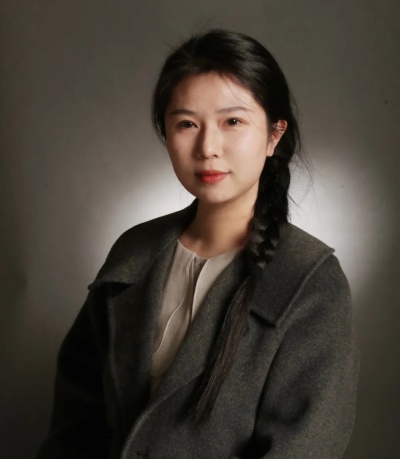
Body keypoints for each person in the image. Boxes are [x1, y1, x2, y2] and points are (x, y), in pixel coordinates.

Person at [37, 29, 359, 459]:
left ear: (274, 135)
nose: (208, 147)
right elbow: (76, 418)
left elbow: (305, 445)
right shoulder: (134, 252)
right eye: (187, 124)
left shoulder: (309, 281)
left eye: (233, 122)